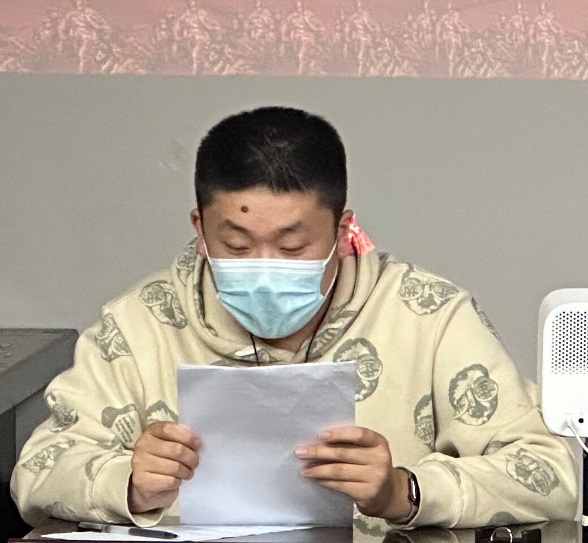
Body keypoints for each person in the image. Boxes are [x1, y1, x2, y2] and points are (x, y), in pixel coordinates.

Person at [11, 107, 577, 533]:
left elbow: (551, 474)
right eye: (236, 245)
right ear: (200, 228)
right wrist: (129, 484)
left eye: (292, 247)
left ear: (343, 230)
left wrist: (405, 491)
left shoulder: (428, 315)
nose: (263, 268)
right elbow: (37, 471)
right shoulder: (139, 323)